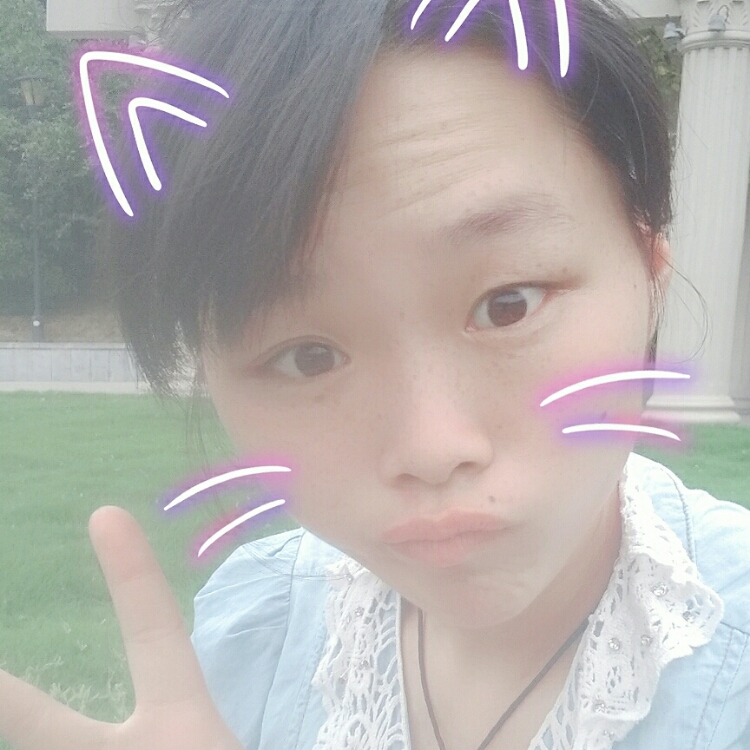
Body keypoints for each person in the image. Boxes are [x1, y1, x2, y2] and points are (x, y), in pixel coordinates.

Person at [1, 0, 749, 748]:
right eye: (308, 356)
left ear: (649, 271)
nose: (432, 449)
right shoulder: (259, 624)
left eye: (508, 304)